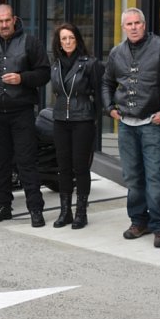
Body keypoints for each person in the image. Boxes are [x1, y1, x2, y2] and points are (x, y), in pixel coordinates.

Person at [102, 7, 160, 248]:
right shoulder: (116, 53)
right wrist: (109, 107)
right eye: (129, 24)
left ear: (144, 23)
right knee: (132, 176)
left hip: (152, 122)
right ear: (123, 27)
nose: (133, 27)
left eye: (137, 23)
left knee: (155, 177)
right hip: (127, 125)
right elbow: (106, 81)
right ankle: (139, 221)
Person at [0, 4, 51, 226]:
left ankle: (35, 208)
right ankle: (3, 206)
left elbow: (44, 73)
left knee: (26, 161)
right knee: (0, 162)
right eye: (0, 21)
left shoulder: (31, 43)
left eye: (7, 20)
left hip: (22, 110)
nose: (4, 25)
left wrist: (22, 78)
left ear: (14, 19)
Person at [49, 23, 102, 229]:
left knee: (80, 167)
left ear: (77, 39)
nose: (68, 42)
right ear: (59, 43)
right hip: (61, 119)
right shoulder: (55, 64)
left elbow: (99, 94)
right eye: (64, 39)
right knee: (63, 168)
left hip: (83, 119)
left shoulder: (89, 63)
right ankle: (65, 212)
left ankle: (81, 212)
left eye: (71, 38)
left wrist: (94, 118)